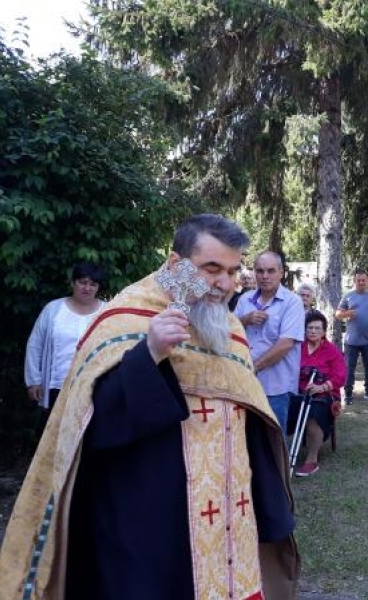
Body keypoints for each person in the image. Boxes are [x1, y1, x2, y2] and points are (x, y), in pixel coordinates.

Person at [0, 214, 299, 600]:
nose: (224, 284)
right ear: (176, 265)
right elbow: (93, 425)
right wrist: (150, 353)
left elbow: (251, 416)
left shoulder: (230, 327)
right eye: (211, 269)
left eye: (231, 270)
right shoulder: (124, 317)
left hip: (229, 518)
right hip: (150, 518)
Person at [235, 251, 305, 431]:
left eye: (271, 271)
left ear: (281, 272)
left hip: (276, 386)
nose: (265, 276)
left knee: (273, 439)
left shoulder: (292, 302)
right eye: (260, 271)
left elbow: (286, 344)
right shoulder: (244, 300)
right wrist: (245, 320)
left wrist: (254, 367)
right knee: (246, 437)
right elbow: (230, 332)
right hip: (244, 383)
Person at [25, 261, 107, 415]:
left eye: (93, 284)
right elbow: (35, 345)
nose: (87, 288)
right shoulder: (53, 310)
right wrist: (34, 381)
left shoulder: (107, 312)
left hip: (95, 387)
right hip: (57, 386)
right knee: (54, 434)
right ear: (72, 283)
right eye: (83, 282)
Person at [288, 310, 346, 477]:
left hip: (325, 395)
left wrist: (322, 387)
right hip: (298, 392)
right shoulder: (297, 347)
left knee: (315, 411)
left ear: (323, 331)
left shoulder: (331, 350)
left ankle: (311, 460)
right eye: (309, 328)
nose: (313, 331)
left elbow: (340, 376)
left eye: (317, 328)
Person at [335, 269, 368, 404]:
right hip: (352, 341)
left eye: (363, 280)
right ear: (354, 281)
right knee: (349, 369)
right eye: (358, 280)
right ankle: (347, 394)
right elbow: (337, 314)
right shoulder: (348, 296)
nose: (361, 282)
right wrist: (347, 313)